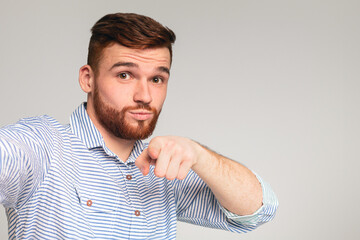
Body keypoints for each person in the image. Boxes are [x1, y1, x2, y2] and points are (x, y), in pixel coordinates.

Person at [0, 13, 278, 239]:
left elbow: (258, 210)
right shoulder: (43, 145)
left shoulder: (165, 168)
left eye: (157, 79)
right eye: (125, 75)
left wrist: (199, 155)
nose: (145, 96)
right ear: (88, 79)